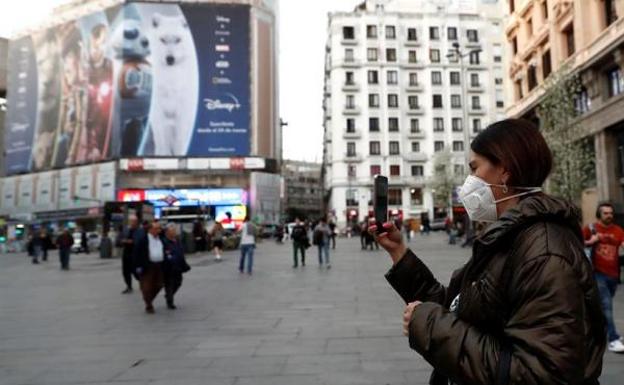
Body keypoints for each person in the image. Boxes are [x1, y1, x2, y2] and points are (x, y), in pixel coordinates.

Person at [370, 119, 606, 384]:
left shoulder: (544, 250)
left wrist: (430, 326)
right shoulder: (510, 237)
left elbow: (542, 374)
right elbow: (458, 311)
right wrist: (399, 252)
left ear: (504, 170)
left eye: (474, 168)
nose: (469, 181)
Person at [583, 202, 624, 353]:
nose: (609, 216)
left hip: (613, 275)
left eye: (611, 213)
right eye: (606, 213)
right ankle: (613, 339)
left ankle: (596, 335)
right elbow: (577, 244)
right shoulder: (591, 229)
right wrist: (591, 241)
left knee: (602, 308)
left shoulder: (618, 230)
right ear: (599, 214)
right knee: (606, 306)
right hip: (597, 273)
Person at [133, 221, 165, 314]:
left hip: (159, 265)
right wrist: (137, 267)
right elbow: (136, 254)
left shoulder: (161, 239)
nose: (159, 231)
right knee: (146, 287)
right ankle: (148, 305)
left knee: (159, 285)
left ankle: (148, 300)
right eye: (156, 229)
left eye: (159, 228)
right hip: (147, 266)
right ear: (150, 230)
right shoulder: (143, 240)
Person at [162, 223, 190, 310]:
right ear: (167, 232)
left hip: (178, 266)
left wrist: (183, 263)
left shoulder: (177, 241)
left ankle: (168, 295)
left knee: (178, 282)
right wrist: (170, 258)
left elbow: (180, 252)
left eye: (175, 230)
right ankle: (170, 301)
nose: (174, 232)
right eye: (172, 230)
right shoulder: (164, 242)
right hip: (168, 267)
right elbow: (165, 254)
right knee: (169, 284)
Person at [120, 217, 139, 294]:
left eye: (134, 221)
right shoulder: (126, 230)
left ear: (136, 222)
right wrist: (124, 241)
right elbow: (119, 239)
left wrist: (130, 241)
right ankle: (129, 286)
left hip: (135, 254)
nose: (132, 223)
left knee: (135, 271)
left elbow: (138, 241)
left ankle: (143, 282)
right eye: (131, 221)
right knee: (125, 271)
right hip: (126, 254)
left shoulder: (139, 231)